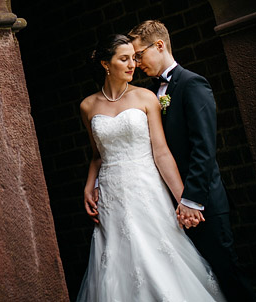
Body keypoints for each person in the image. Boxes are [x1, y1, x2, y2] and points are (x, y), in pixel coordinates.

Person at [75, 33, 225, 302]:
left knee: (158, 257)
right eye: (124, 59)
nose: (132, 64)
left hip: (146, 188)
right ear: (106, 64)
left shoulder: (146, 98)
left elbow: (162, 153)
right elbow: (97, 155)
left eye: (134, 58)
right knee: (116, 261)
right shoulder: (88, 106)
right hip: (111, 195)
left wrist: (184, 200)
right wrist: (90, 185)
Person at [128, 20, 256, 302]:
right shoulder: (149, 94)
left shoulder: (192, 83)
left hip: (202, 202)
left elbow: (204, 148)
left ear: (159, 46)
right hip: (169, 204)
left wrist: (191, 200)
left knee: (227, 273)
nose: (136, 64)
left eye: (139, 55)